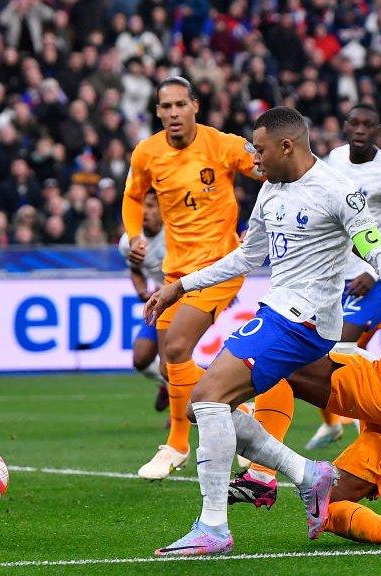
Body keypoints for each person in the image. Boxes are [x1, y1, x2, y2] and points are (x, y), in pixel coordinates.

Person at [144, 106, 381, 557]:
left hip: (305, 320)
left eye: (259, 149)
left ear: (287, 146)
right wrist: (182, 285)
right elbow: (246, 257)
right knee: (210, 406)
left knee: (206, 398)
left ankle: (214, 527)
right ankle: (307, 475)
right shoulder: (271, 190)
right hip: (279, 311)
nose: (254, 159)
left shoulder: (338, 192)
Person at [233, 206, 381, 549]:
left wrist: (333, 220)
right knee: (328, 504)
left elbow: (377, 255)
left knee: (284, 360)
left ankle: (260, 473)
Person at [122, 76, 255, 480]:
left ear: (195, 105)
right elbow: (131, 196)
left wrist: (261, 227)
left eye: (181, 105)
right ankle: (242, 411)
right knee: (168, 366)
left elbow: (272, 173)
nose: (174, 113)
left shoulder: (224, 145)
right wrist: (134, 235)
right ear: (158, 112)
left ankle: (177, 445)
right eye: (166, 107)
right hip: (175, 273)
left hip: (220, 267)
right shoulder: (147, 153)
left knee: (177, 346)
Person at [304, 104, 381, 450]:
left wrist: (371, 268)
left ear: (378, 130)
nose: (361, 130)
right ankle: (345, 418)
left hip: (374, 275)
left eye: (368, 124)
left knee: (343, 346)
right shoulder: (333, 160)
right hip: (336, 274)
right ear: (345, 126)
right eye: (355, 123)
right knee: (318, 350)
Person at [117, 189, 169, 411]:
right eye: (141, 206)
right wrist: (141, 291)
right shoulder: (130, 241)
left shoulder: (176, 233)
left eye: (151, 206)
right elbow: (135, 269)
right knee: (140, 359)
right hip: (161, 298)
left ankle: (181, 416)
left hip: (187, 299)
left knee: (173, 360)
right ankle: (169, 386)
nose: (144, 212)